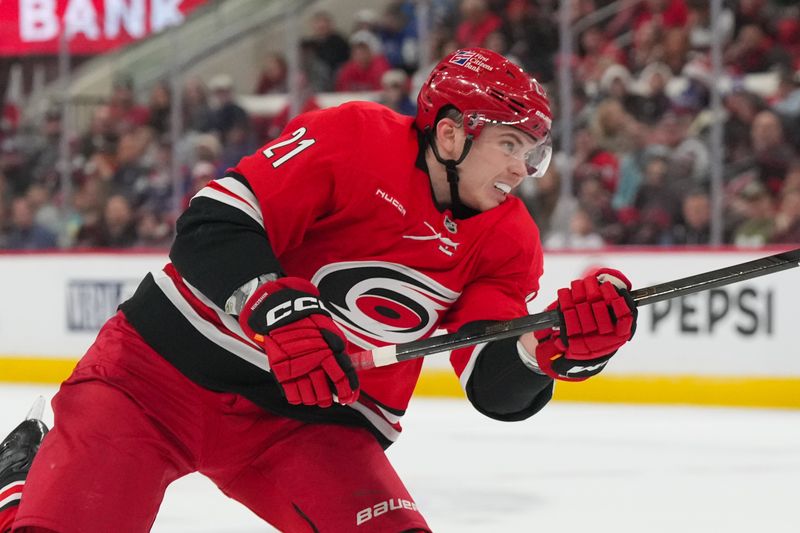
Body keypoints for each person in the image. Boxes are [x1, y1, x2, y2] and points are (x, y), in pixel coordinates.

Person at [0, 48, 638, 532]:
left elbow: (490, 379)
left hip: (309, 423)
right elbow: (212, 223)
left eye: (533, 154)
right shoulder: (355, 139)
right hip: (160, 379)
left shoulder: (508, 239)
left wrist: (552, 353)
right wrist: (278, 310)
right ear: (450, 133)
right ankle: (18, 486)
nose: (521, 171)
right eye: (509, 146)